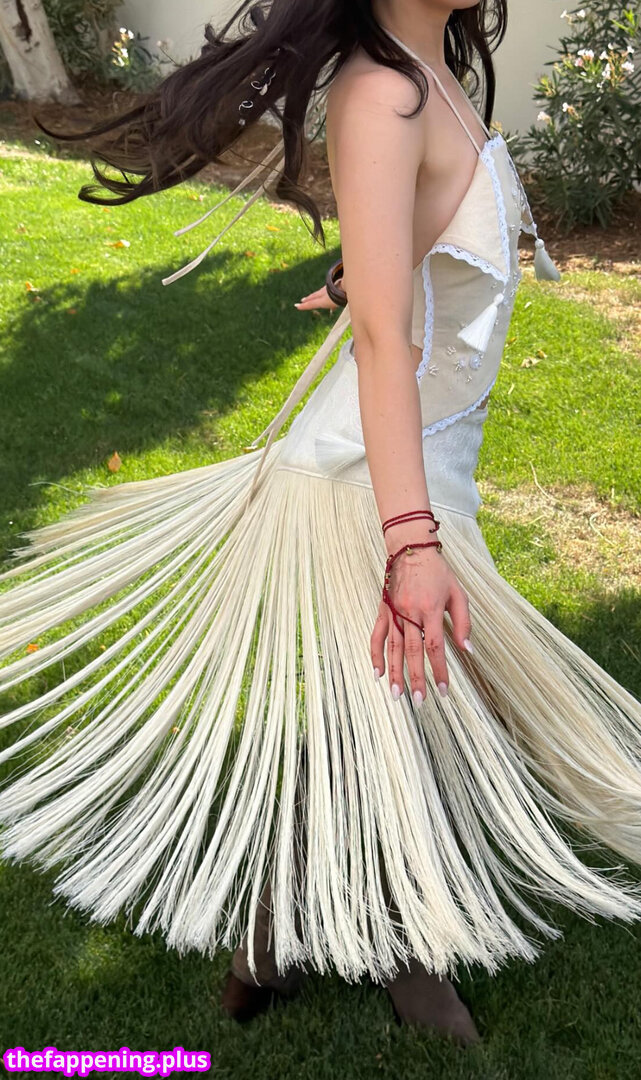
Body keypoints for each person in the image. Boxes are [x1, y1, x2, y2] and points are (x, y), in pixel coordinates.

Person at [2, 0, 641, 1049]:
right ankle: (404, 958)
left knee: (413, 711)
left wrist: (364, 266)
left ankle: (271, 932)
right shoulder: (382, 91)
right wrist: (410, 543)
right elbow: (384, 344)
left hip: (426, 467)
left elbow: (418, 235)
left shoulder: (430, 78)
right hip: (368, 480)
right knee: (408, 712)